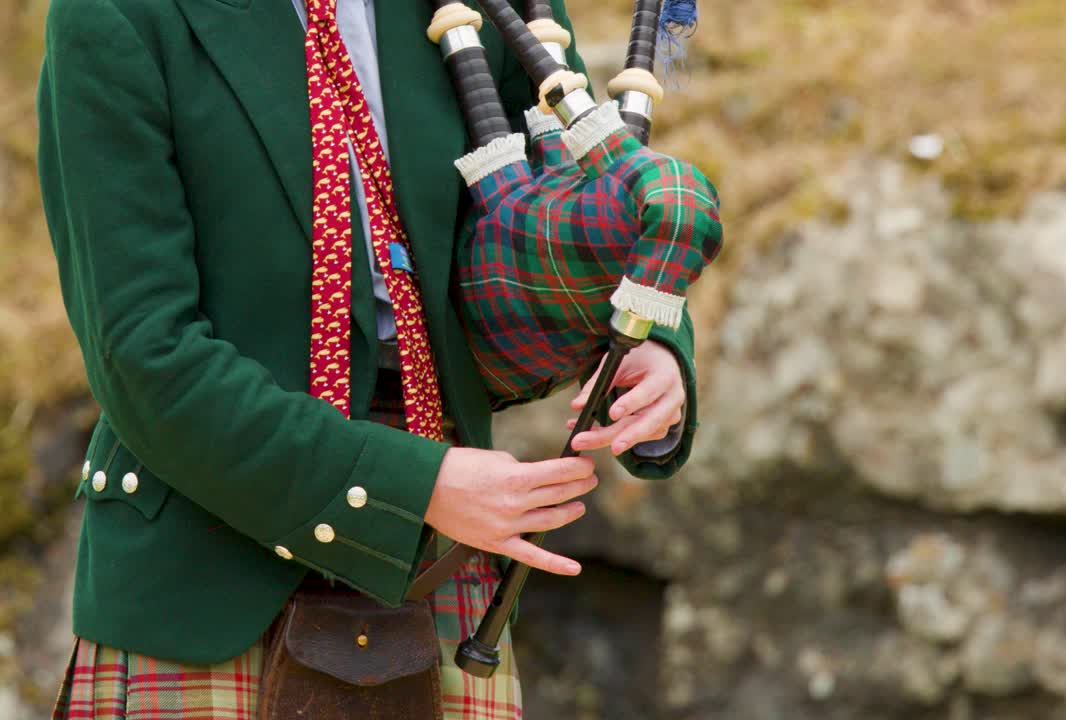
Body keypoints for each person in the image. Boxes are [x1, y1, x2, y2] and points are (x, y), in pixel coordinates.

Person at [36, 0, 700, 715]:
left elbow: (585, 212)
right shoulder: (117, 13)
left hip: (440, 566)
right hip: (204, 581)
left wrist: (651, 339)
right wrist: (412, 489)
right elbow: (142, 356)